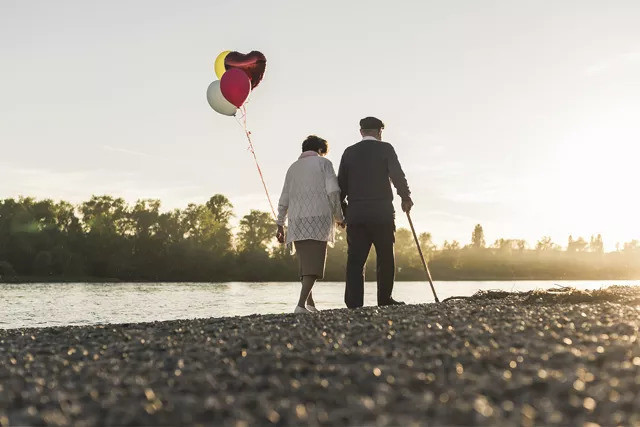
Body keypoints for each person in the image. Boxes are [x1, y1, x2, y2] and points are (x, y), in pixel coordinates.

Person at [338, 117, 413, 308]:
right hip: (382, 213)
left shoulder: (349, 152)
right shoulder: (386, 148)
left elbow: (341, 185)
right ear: (380, 132)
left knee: (355, 259)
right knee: (385, 257)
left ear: (361, 132)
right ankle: (384, 299)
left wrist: (343, 211)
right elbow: (397, 174)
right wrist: (405, 197)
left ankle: (354, 303)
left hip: (357, 214)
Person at [276, 135, 345, 314]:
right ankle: (300, 305)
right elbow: (333, 192)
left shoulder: (292, 168)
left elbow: (284, 197)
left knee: (305, 263)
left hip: (297, 220)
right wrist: (339, 217)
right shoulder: (324, 164)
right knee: (313, 265)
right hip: (318, 218)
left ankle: (310, 304)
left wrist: (279, 224)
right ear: (321, 150)